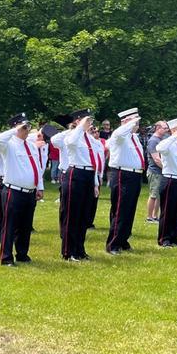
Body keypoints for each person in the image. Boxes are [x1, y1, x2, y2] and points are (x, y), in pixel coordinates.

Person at [0, 114, 44, 266]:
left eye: (28, 127)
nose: (27, 129)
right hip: (13, 190)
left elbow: (37, 167)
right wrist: (15, 129)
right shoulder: (8, 144)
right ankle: (6, 257)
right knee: (10, 225)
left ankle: (22, 254)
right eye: (24, 127)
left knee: (25, 225)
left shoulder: (30, 145)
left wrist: (39, 187)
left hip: (29, 191)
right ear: (15, 127)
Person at [51, 111, 97, 261]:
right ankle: (68, 251)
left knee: (84, 215)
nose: (90, 123)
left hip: (88, 174)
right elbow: (69, 142)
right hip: (75, 173)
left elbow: (93, 160)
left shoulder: (89, 138)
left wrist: (95, 182)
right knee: (71, 214)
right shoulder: (71, 135)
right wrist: (78, 127)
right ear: (78, 121)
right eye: (87, 120)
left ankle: (79, 249)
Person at [105, 108, 145, 254]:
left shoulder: (133, 137)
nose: (137, 124)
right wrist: (130, 122)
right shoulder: (120, 135)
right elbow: (118, 133)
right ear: (126, 122)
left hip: (134, 175)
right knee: (120, 210)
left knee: (129, 210)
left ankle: (123, 239)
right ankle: (113, 244)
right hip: (123, 174)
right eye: (135, 121)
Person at [154, 118, 177, 247]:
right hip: (170, 179)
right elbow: (159, 148)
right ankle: (164, 238)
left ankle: (174, 236)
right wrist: (174, 136)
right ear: (174, 130)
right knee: (168, 210)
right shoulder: (168, 143)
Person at [145, 121, 169, 222]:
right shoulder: (153, 141)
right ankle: (149, 217)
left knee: (159, 195)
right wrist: (167, 169)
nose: (167, 130)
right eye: (165, 128)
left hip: (161, 171)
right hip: (155, 171)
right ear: (158, 128)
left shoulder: (161, 139)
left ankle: (155, 216)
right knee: (154, 195)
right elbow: (156, 159)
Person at [85, 121, 105, 230]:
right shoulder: (86, 143)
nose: (95, 132)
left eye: (97, 131)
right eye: (93, 130)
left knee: (94, 199)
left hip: (97, 173)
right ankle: (85, 221)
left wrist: (101, 175)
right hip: (89, 172)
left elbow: (100, 160)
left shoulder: (99, 143)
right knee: (88, 199)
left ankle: (90, 221)